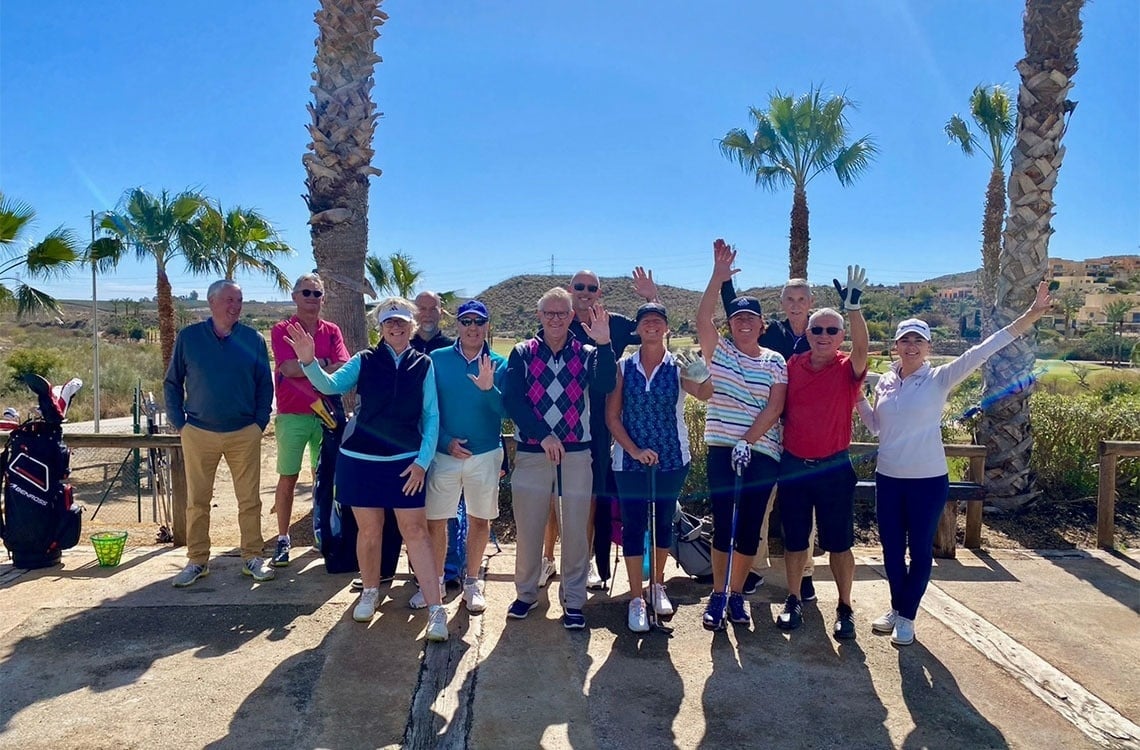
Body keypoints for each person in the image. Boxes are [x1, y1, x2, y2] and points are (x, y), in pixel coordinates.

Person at [863, 282, 1052, 646]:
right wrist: (858, 399)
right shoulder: (885, 383)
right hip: (888, 478)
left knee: (919, 550)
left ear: (928, 347)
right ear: (896, 346)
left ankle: (907, 616)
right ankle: (897, 606)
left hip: (926, 481)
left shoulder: (939, 378)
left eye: (918, 341)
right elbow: (876, 427)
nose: (911, 346)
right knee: (889, 549)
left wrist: (1031, 315)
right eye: (905, 340)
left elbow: (986, 348)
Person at [283, 297, 448, 642]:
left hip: (406, 463)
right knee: (369, 531)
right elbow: (329, 385)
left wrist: (422, 461)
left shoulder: (424, 364)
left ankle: (436, 610)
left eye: (402, 321)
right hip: (360, 460)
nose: (396, 327)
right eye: (389, 321)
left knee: (416, 532)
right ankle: (370, 592)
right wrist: (308, 361)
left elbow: (432, 416)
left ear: (412, 325)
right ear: (380, 327)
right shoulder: (364, 360)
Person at [504, 288, 616, 629]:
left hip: (577, 454)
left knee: (576, 532)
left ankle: (574, 601)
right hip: (533, 452)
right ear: (540, 316)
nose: (555, 319)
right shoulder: (522, 353)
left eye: (562, 314)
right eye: (549, 314)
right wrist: (544, 434)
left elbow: (606, 382)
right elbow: (513, 401)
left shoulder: (586, 353)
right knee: (529, 529)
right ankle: (525, 595)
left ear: (571, 317)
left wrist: (605, 345)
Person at [695, 241, 787, 631]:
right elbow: (702, 320)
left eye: (751, 318)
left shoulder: (775, 361)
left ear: (761, 324)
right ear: (730, 324)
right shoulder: (720, 353)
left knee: (749, 526)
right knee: (723, 522)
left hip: (761, 451)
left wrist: (748, 441)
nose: (744, 323)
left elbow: (775, 407)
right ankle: (717, 594)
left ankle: (736, 595)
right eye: (737, 318)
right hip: (720, 449)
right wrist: (718, 278)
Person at [606, 302, 713, 632]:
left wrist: (703, 375)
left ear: (666, 328)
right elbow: (612, 417)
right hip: (628, 460)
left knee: (665, 523)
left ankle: (658, 586)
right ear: (637, 329)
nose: (651, 325)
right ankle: (636, 598)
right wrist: (636, 451)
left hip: (672, 458)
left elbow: (706, 394)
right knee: (634, 527)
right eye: (645, 321)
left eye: (658, 321)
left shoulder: (678, 365)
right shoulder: (623, 366)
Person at [776, 265, 869, 640]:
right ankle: (794, 598)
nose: (824, 336)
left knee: (840, 543)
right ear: (808, 334)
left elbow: (863, 348)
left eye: (832, 330)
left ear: (841, 336)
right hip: (795, 467)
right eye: (817, 330)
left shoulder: (849, 368)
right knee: (796, 542)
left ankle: (845, 607)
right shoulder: (792, 367)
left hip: (834, 468)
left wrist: (854, 309)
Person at [165, 279, 275, 587]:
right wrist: (180, 423)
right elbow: (172, 382)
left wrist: (259, 422)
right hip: (198, 431)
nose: (235, 306)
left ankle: (252, 557)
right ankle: (197, 561)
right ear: (212, 302)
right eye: (229, 300)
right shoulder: (189, 338)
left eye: (239, 300)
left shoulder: (253, 339)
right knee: (197, 502)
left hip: (244, 432)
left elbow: (265, 384)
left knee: (249, 500)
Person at [556, 268, 658, 591]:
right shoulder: (561, 323)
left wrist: (651, 297)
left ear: (599, 293)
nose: (585, 292)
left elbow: (652, 330)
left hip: (604, 421)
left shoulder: (614, 323)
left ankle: (598, 568)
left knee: (598, 496)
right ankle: (571, 563)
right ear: (571, 289)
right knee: (569, 499)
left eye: (592, 287)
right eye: (579, 286)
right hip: (568, 423)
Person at [721, 276, 817, 598]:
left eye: (801, 299)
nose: (795, 305)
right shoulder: (772, 332)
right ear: (782, 304)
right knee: (759, 506)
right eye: (789, 299)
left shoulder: (820, 334)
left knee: (803, 509)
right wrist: (724, 281)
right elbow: (738, 316)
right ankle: (752, 570)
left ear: (810, 303)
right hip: (770, 433)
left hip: (804, 435)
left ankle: (805, 574)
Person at [425, 300, 508, 614]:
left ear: (487, 325)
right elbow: (427, 409)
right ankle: (433, 584)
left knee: (479, 520)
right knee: (436, 521)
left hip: (485, 455)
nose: (472, 327)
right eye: (466, 321)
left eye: (479, 322)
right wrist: (445, 443)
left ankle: (471, 583)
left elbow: (508, 411)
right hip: (444, 455)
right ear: (457, 326)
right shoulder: (437, 359)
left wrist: (489, 390)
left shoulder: (499, 363)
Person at [269, 273, 349, 567]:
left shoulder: (332, 330)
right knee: (288, 478)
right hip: (293, 415)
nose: (312, 299)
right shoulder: (282, 329)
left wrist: (310, 363)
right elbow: (288, 368)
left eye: (317, 294)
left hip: (326, 415)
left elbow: (344, 363)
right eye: (306, 293)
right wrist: (321, 365)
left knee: (324, 478)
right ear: (295, 297)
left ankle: (322, 533)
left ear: (323, 298)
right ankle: (282, 538)